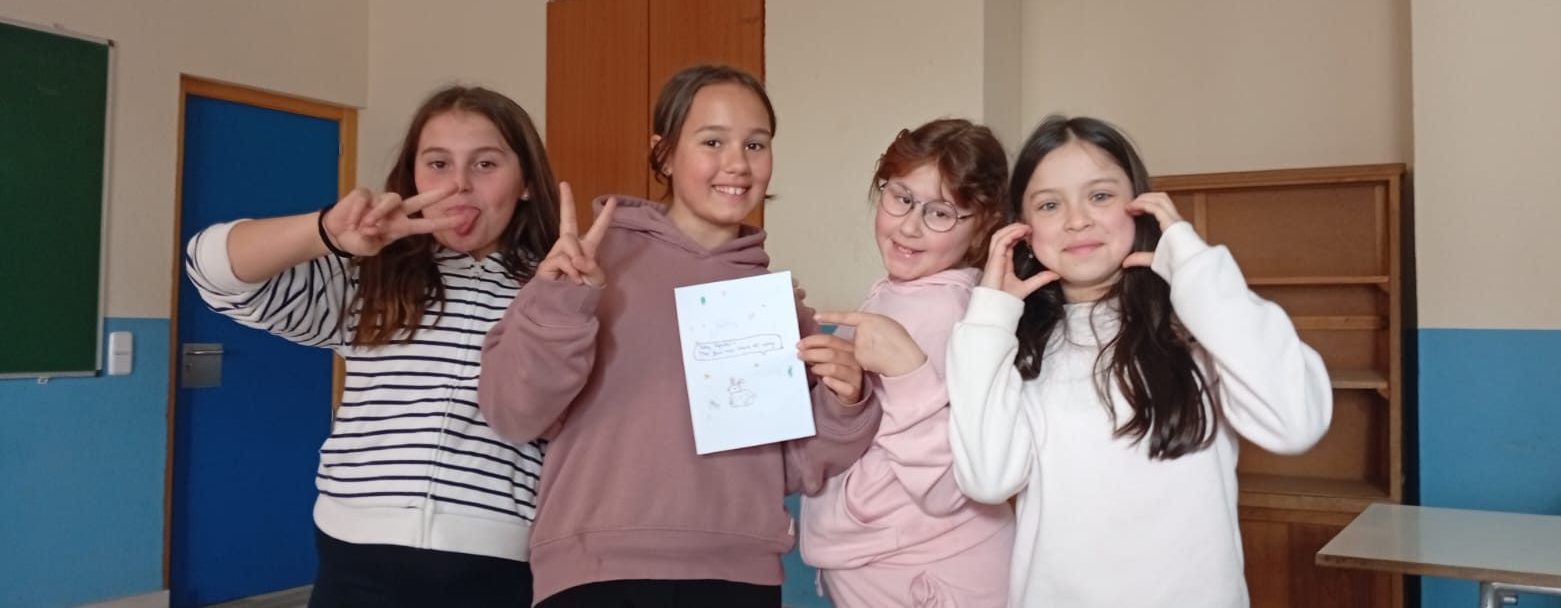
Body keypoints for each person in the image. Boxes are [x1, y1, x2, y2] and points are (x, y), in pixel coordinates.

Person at [478, 64, 882, 607]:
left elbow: (794, 466)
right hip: (595, 572)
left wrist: (846, 403)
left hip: (738, 576)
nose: (737, 163)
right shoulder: (585, 267)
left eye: (756, 144)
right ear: (664, 153)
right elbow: (512, 412)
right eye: (712, 141)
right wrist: (560, 303)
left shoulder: (774, 305)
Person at [185, 85, 560, 607]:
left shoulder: (558, 289)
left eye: (485, 164)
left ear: (526, 183)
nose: (458, 185)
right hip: (357, 554)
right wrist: (326, 232)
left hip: (499, 558)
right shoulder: (369, 277)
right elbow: (211, 270)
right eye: (438, 164)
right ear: (413, 175)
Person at [945, 115, 1333, 607]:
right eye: (1049, 204)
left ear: (1141, 205)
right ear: (1022, 230)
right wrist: (990, 317)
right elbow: (987, 479)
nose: (1077, 219)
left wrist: (1195, 268)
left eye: (1100, 195)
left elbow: (1295, 423)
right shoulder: (1013, 341)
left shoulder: (1200, 322)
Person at [800, 119, 1015, 607]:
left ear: (983, 223)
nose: (910, 226)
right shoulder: (903, 294)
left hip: (934, 571)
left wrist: (906, 372)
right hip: (898, 561)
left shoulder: (948, 314)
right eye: (901, 197)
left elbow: (946, 486)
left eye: (941, 212)